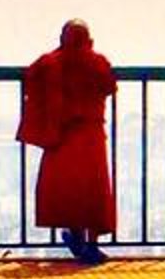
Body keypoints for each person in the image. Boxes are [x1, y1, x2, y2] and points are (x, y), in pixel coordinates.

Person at [18, 19, 117, 264]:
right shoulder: (98, 62)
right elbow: (109, 87)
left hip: (63, 135)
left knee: (68, 189)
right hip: (92, 134)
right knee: (94, 189)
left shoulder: (51, 63)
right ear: (89, 39)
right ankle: (92, 244)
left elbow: (31, 77)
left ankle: (75, 236)